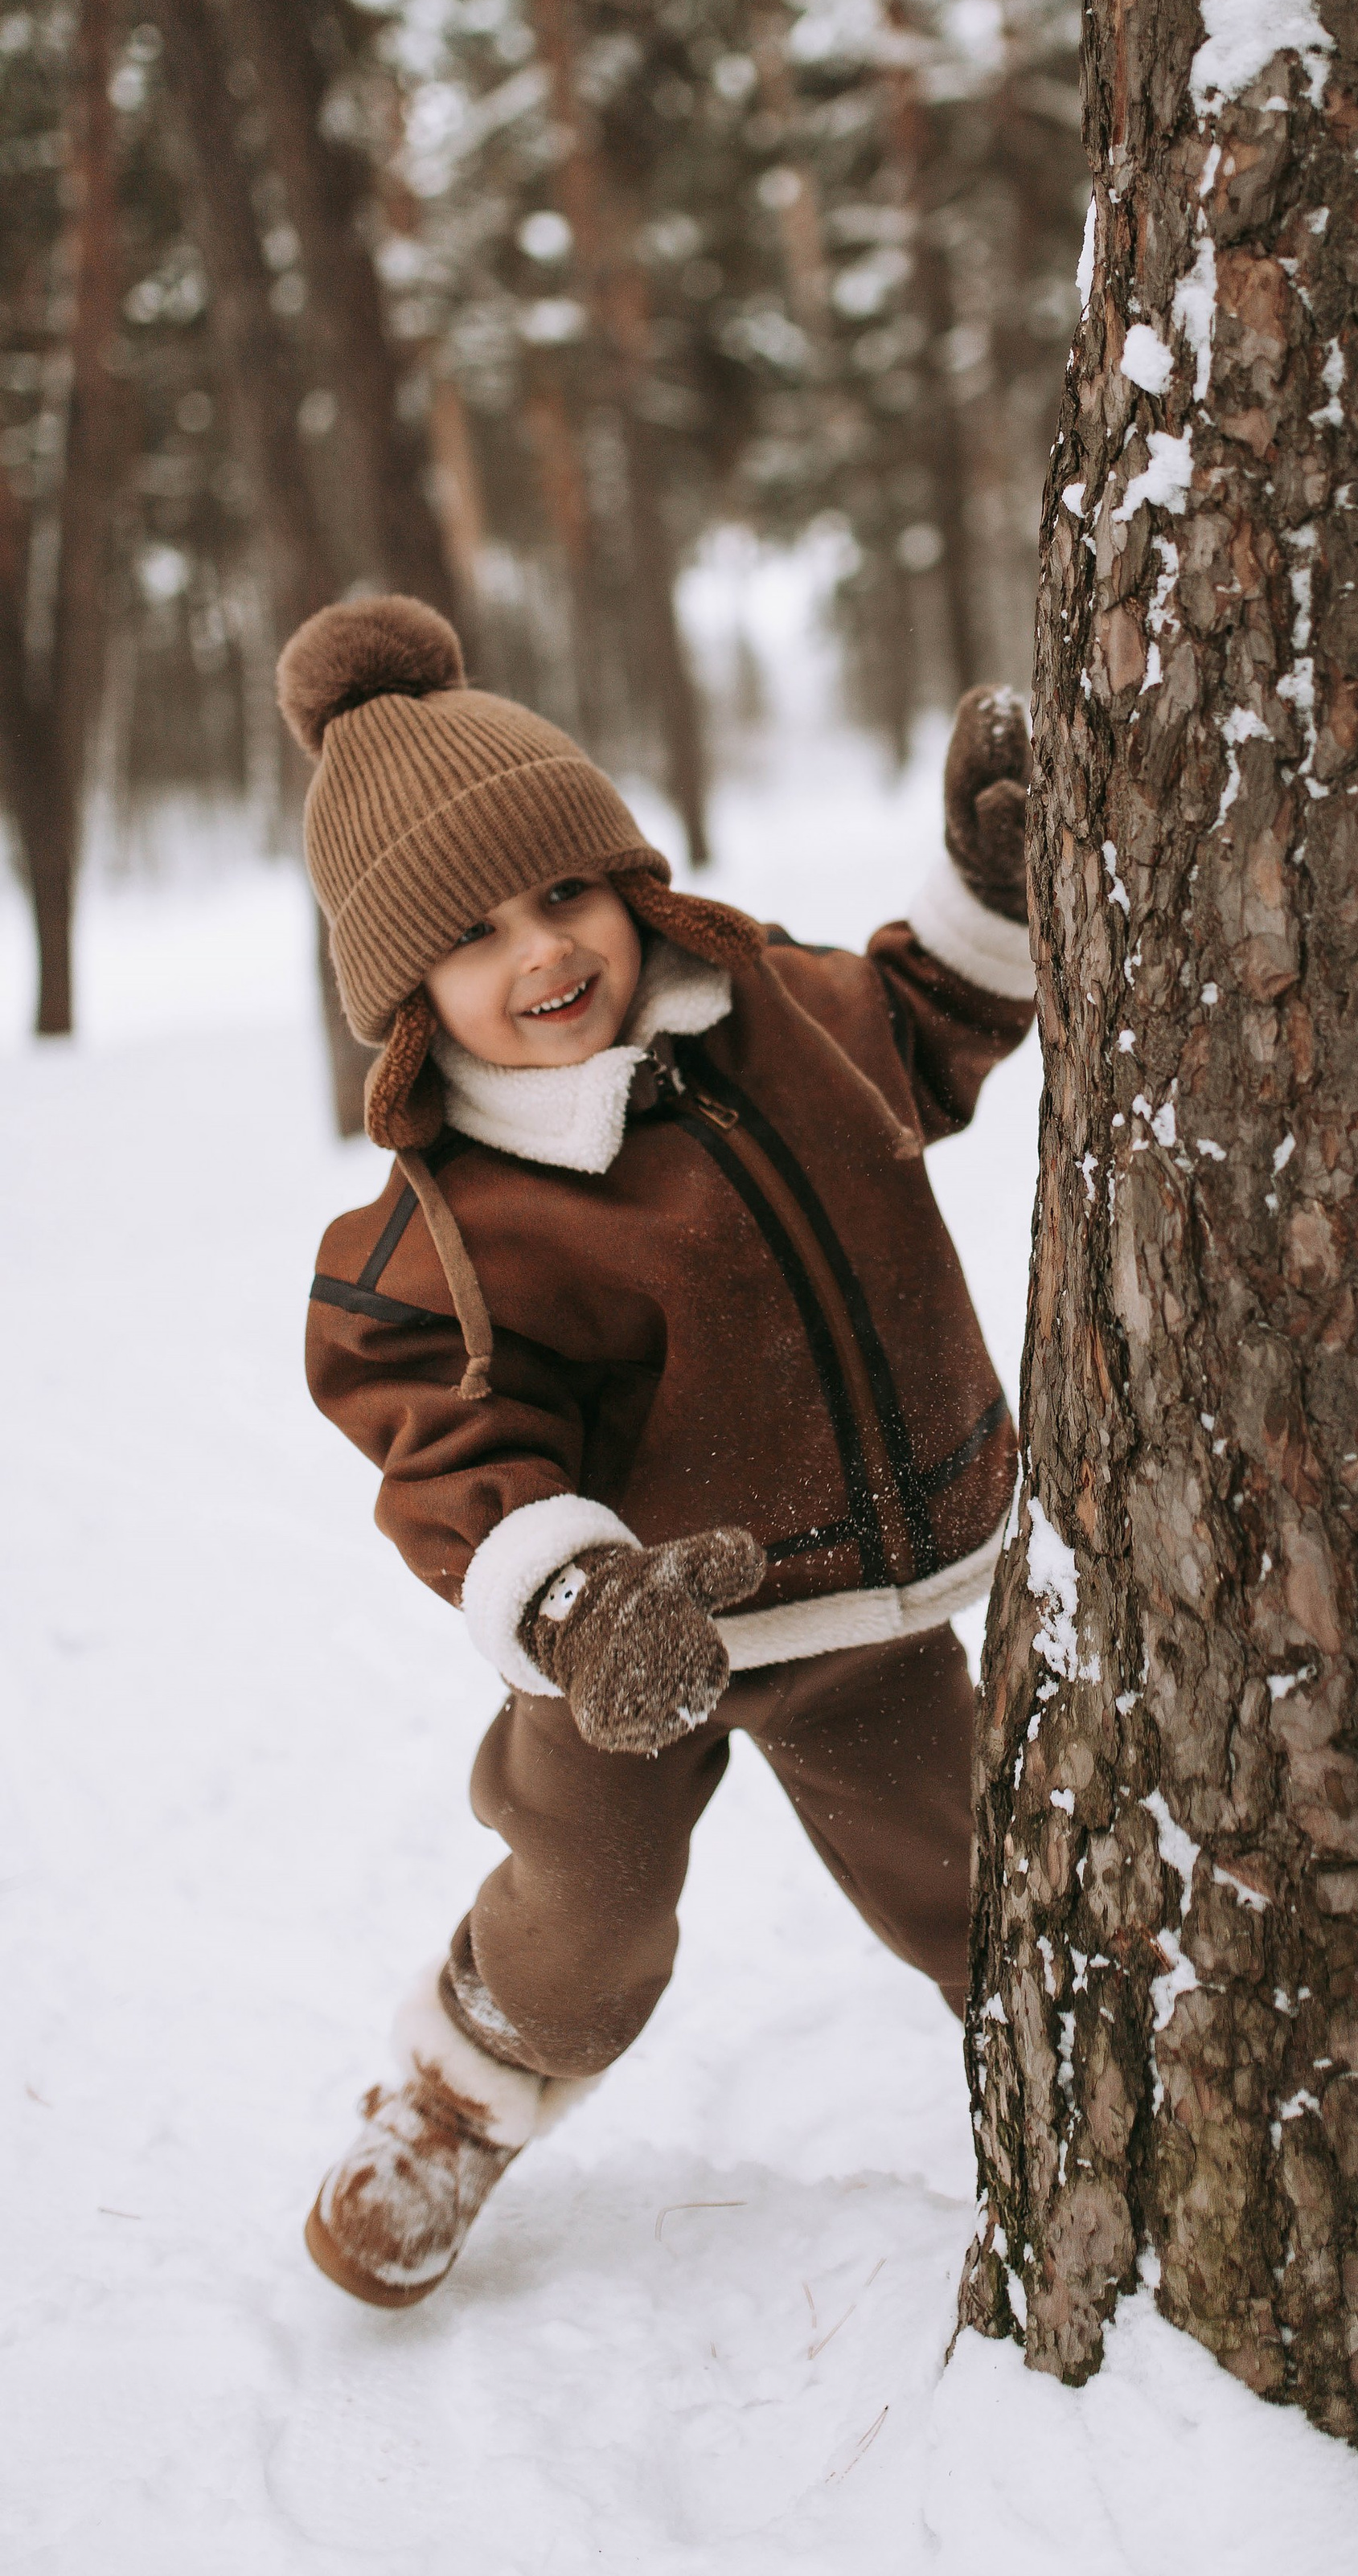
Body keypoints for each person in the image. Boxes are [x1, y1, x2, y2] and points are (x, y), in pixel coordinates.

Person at [281, 596, 1036, 2308]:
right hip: (631, 1662)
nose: (543, 952)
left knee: (980, 1882)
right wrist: (577, 1607)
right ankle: (455, 2106)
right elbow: (447, 1454)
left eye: (564, 891)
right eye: (472, 937)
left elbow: (918, 1028)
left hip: (863, 1612)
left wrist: (986, 895)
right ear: (408, 998)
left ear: (627, 878)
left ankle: (1081, 2098)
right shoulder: (456, 1227)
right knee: (583, 1924)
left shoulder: (767, 1016)